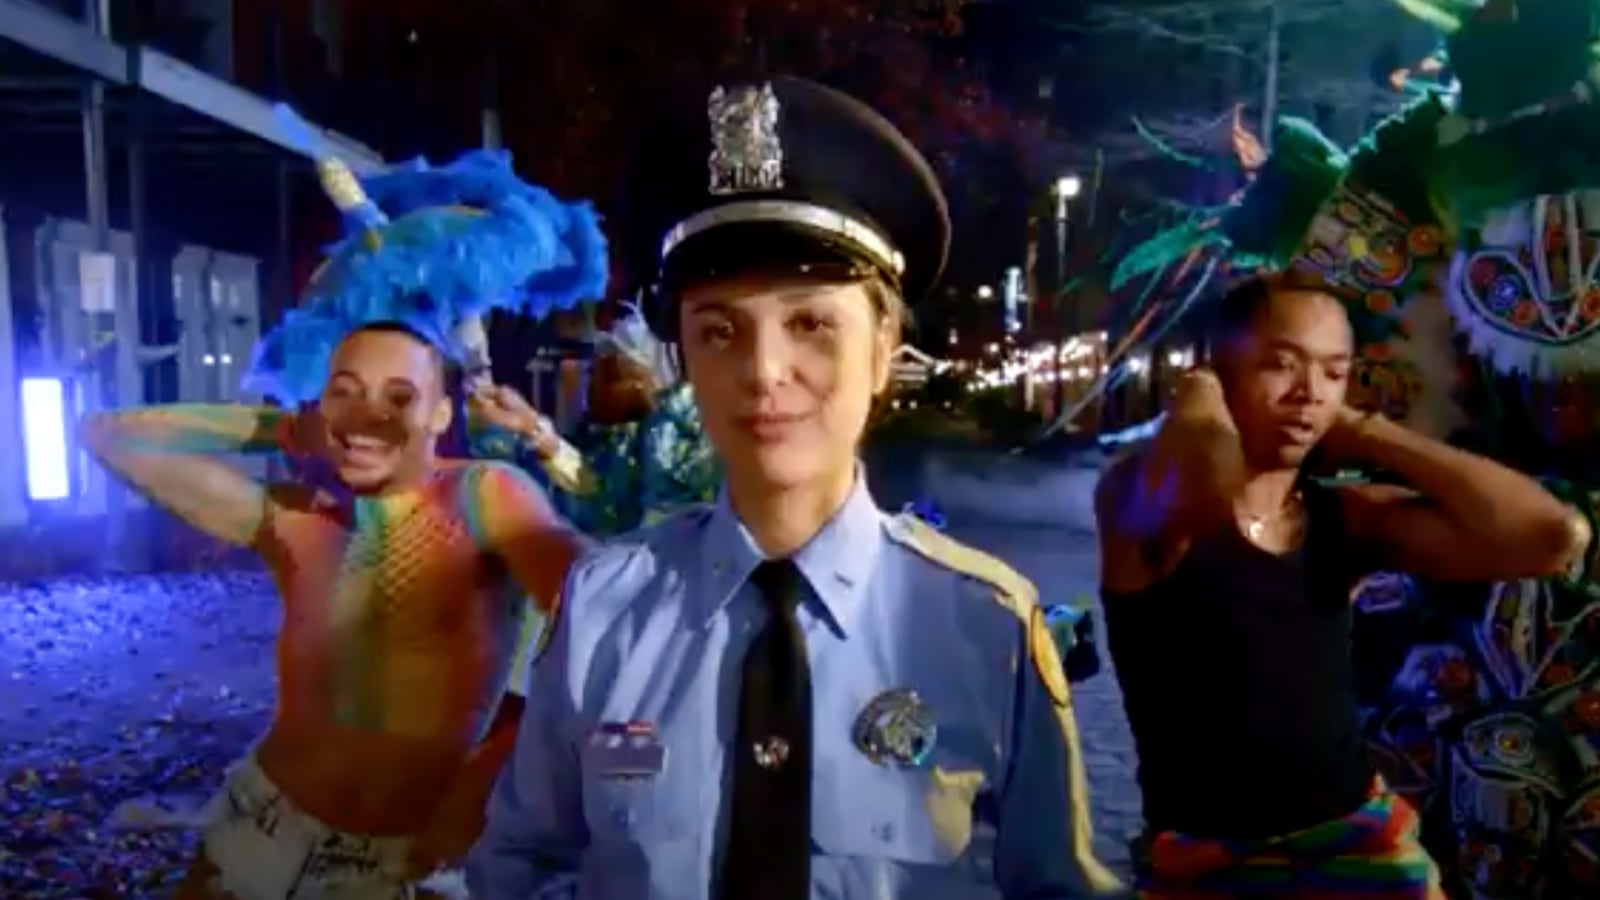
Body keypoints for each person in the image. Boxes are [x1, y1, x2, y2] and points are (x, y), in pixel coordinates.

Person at [468, 76, 1125, 899]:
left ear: (884, 349)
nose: (764, 372)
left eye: (812, 323)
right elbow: (522, 867)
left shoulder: (986, 627)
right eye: (719, 331)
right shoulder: (603, 614)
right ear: (683, 366)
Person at [81, 147, 604, 898]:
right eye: (346, 392)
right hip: (260, 819)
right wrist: (282, 429)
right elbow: (109, 436)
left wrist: (486, 782)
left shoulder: (485, 496)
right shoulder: (296, 520)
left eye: (398, 398)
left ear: (440, 415)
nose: (368, 417)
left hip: (405, 863)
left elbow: (610, 630)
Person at [1094, 271, 1589, 897]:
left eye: (1333, 372)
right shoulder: (1136, 501)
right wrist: (1197, 393)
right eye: (1281, 365)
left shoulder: (1346, 520)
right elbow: (1202, 492)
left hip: (1360, 845)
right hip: (1211, 864)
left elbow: (1551, 537)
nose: (1308, 394)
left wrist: (1362, 428)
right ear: (1221, 370)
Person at [467, 301, 719, 536]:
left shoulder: (671, 433)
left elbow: (611, 518)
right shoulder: (602, 438)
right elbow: (591, 491)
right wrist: (531, 429)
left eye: (604, 372)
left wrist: (531, 433)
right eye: (593, 369)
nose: (588, 383)